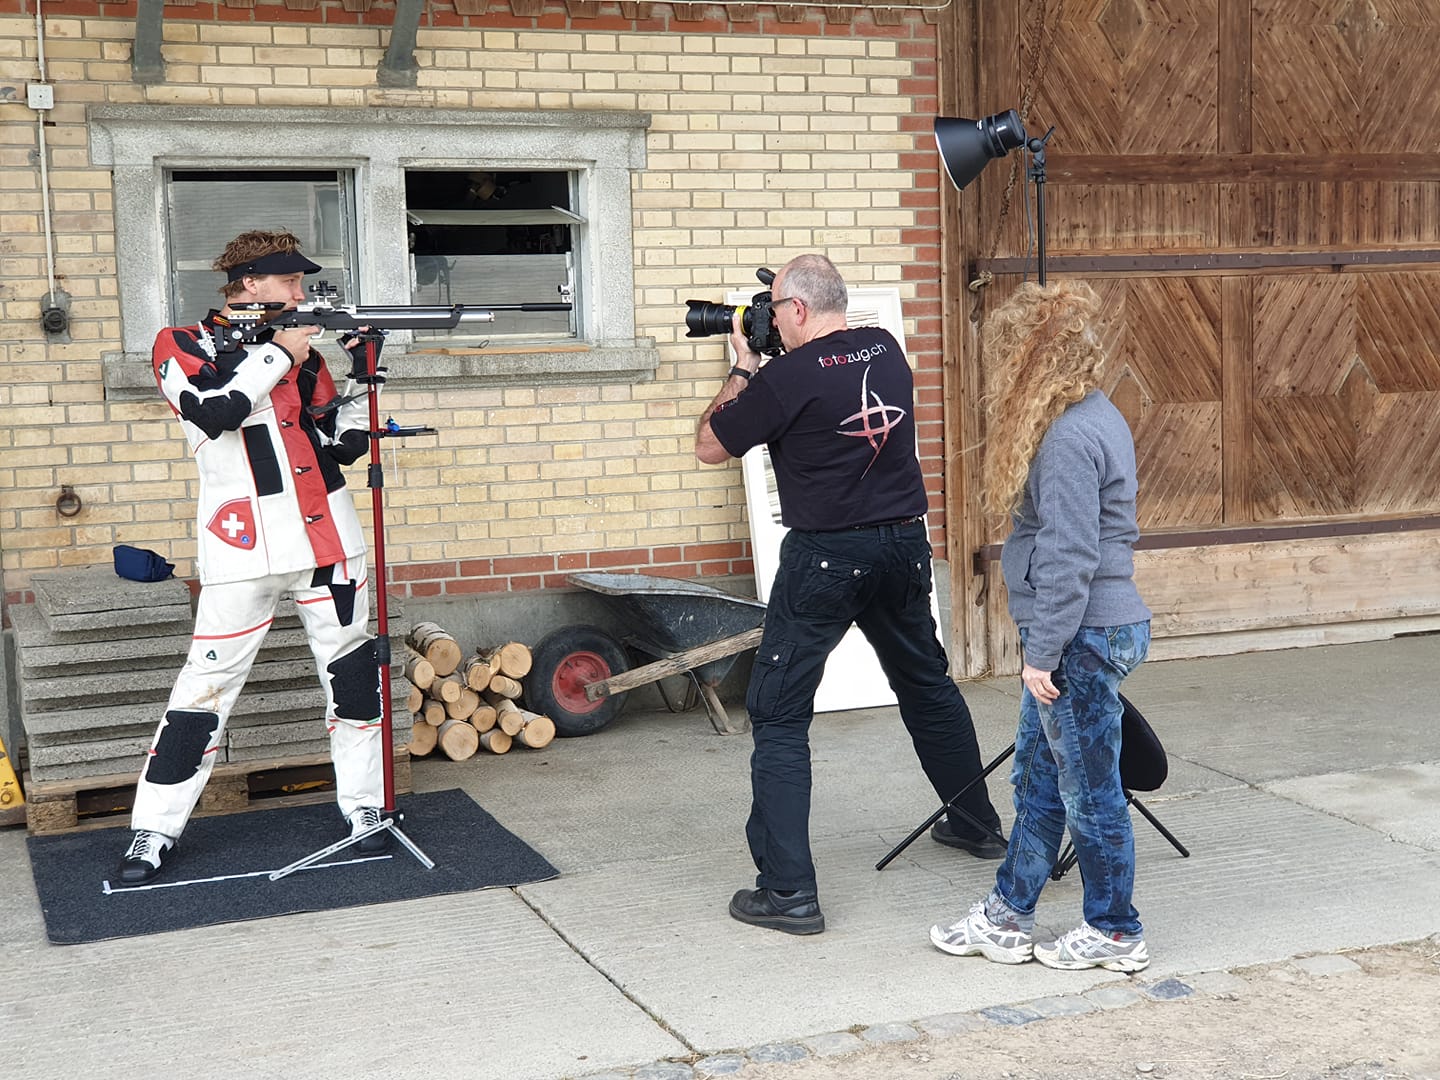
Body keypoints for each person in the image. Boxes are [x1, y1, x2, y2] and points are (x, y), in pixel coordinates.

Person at [695, 253, 1006, 936]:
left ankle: (788, 894)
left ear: (798, 311)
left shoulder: (784, 378)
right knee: (927, 685)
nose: (769, 319)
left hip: (828, 557)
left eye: (774, 308)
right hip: (901, 545)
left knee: (778, 715)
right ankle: (977, 826)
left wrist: (743, 363)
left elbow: (711, 445)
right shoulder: (885, 347)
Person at [118, 230, 388, 884]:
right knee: (202, 691)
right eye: (290, 281)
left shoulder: (301, 349)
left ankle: (366, 810)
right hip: (241, 547)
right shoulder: (179, 343)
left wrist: (364, 370)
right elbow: (214, 411)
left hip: (330, 541)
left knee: (354, 685)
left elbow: (346, 441)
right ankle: (153, 828)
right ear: (248, 283)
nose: (301, 293)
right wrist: (276, 354)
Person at [928, 279, 1153, 971]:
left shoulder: (1068, 436)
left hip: (1079, 640)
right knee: (1039, 781)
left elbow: (1070, 555)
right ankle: (1007, 916)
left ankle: (1116, 931)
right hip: (1078, 637)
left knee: (1091, 796)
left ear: (1031, 358)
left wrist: (1043, 652)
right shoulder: (1095, 412)